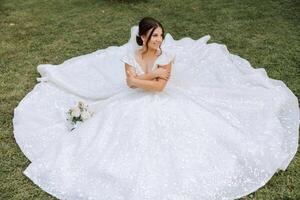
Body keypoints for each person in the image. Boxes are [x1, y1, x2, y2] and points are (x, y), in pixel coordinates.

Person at [13, 17, 299, 200]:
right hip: (131, 101)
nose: (159, 40)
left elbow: (161, 87)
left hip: (165, 100)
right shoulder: (131, 55)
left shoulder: (168, 55)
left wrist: (141, 79)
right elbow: (131, 83)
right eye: (154, 37)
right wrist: (146, 78)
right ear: (143, 38)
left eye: (161, 35)